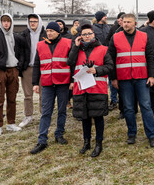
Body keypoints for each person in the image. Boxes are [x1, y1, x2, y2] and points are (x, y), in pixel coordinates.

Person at [108, 13, 154, 147]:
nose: (126, 24)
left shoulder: (144, 36)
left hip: (142, 78)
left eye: (129, 22)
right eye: (124, 22)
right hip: (124, 79)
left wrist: (152, 75)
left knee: (146, 107)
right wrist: (113, 78)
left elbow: (149, 57)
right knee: (129, 108)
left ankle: (152, 136)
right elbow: (110, 60)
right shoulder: (115, 37)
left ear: (135, 23)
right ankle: (131, 133)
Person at [68, 24, 114, 157]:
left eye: (89, 34)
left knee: (98, 117)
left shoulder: (103, 49)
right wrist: (75, 47)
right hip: (81, 89)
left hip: (97, 89)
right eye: (84, 34)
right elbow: (70, 62)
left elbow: (110, 66)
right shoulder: (76, 49)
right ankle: (86, 142)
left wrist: (97, 70)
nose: (87, 36)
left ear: (94, 34)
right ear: (80, 36)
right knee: (85, 117)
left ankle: (99, 143)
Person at [30, 22, 73, 154]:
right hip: (47, 84)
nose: (49, 33)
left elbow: (72, 63)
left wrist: (72, 80)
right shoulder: (40, 45)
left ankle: (59, 133)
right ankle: (42, 140)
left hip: (63, 83)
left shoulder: (67, 43)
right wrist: (35, 83)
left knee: (62, 110)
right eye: (47, 30)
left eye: (52, 31)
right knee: (46, 112)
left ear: (58, 31)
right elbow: (37, 64)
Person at [0, 14, 25, 137]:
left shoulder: (16, 37)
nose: (6, 23)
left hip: (13, 70)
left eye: (8, 21)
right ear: (1, 23)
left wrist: (19, 66)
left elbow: (22, 53)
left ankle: (11, 123)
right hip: (0, 71)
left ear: (11, 22)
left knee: (12, 99)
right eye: (3, 21)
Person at [19, 14, 46, 127]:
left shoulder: (45, 34)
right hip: (27, 68)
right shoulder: (23, 35)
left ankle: (43, 115)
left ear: (39, 22)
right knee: (27, 95)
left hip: (42, 68)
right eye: (31, 21)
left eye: (35, 21)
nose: (33, 23)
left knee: (43, 94)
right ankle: (28, 116)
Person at [139, 10, 154, 119]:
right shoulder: (142, 31)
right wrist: (149, 56)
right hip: (150, 64)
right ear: (151, 19)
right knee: (152, 90)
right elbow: (139, 48)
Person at [106, 12, 125, 113]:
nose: (122, 22)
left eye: (125, 21)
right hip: (116, 61)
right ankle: (114, 101)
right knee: (114, 83)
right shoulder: (114, 30)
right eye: (121, 20)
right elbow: (107, 40)